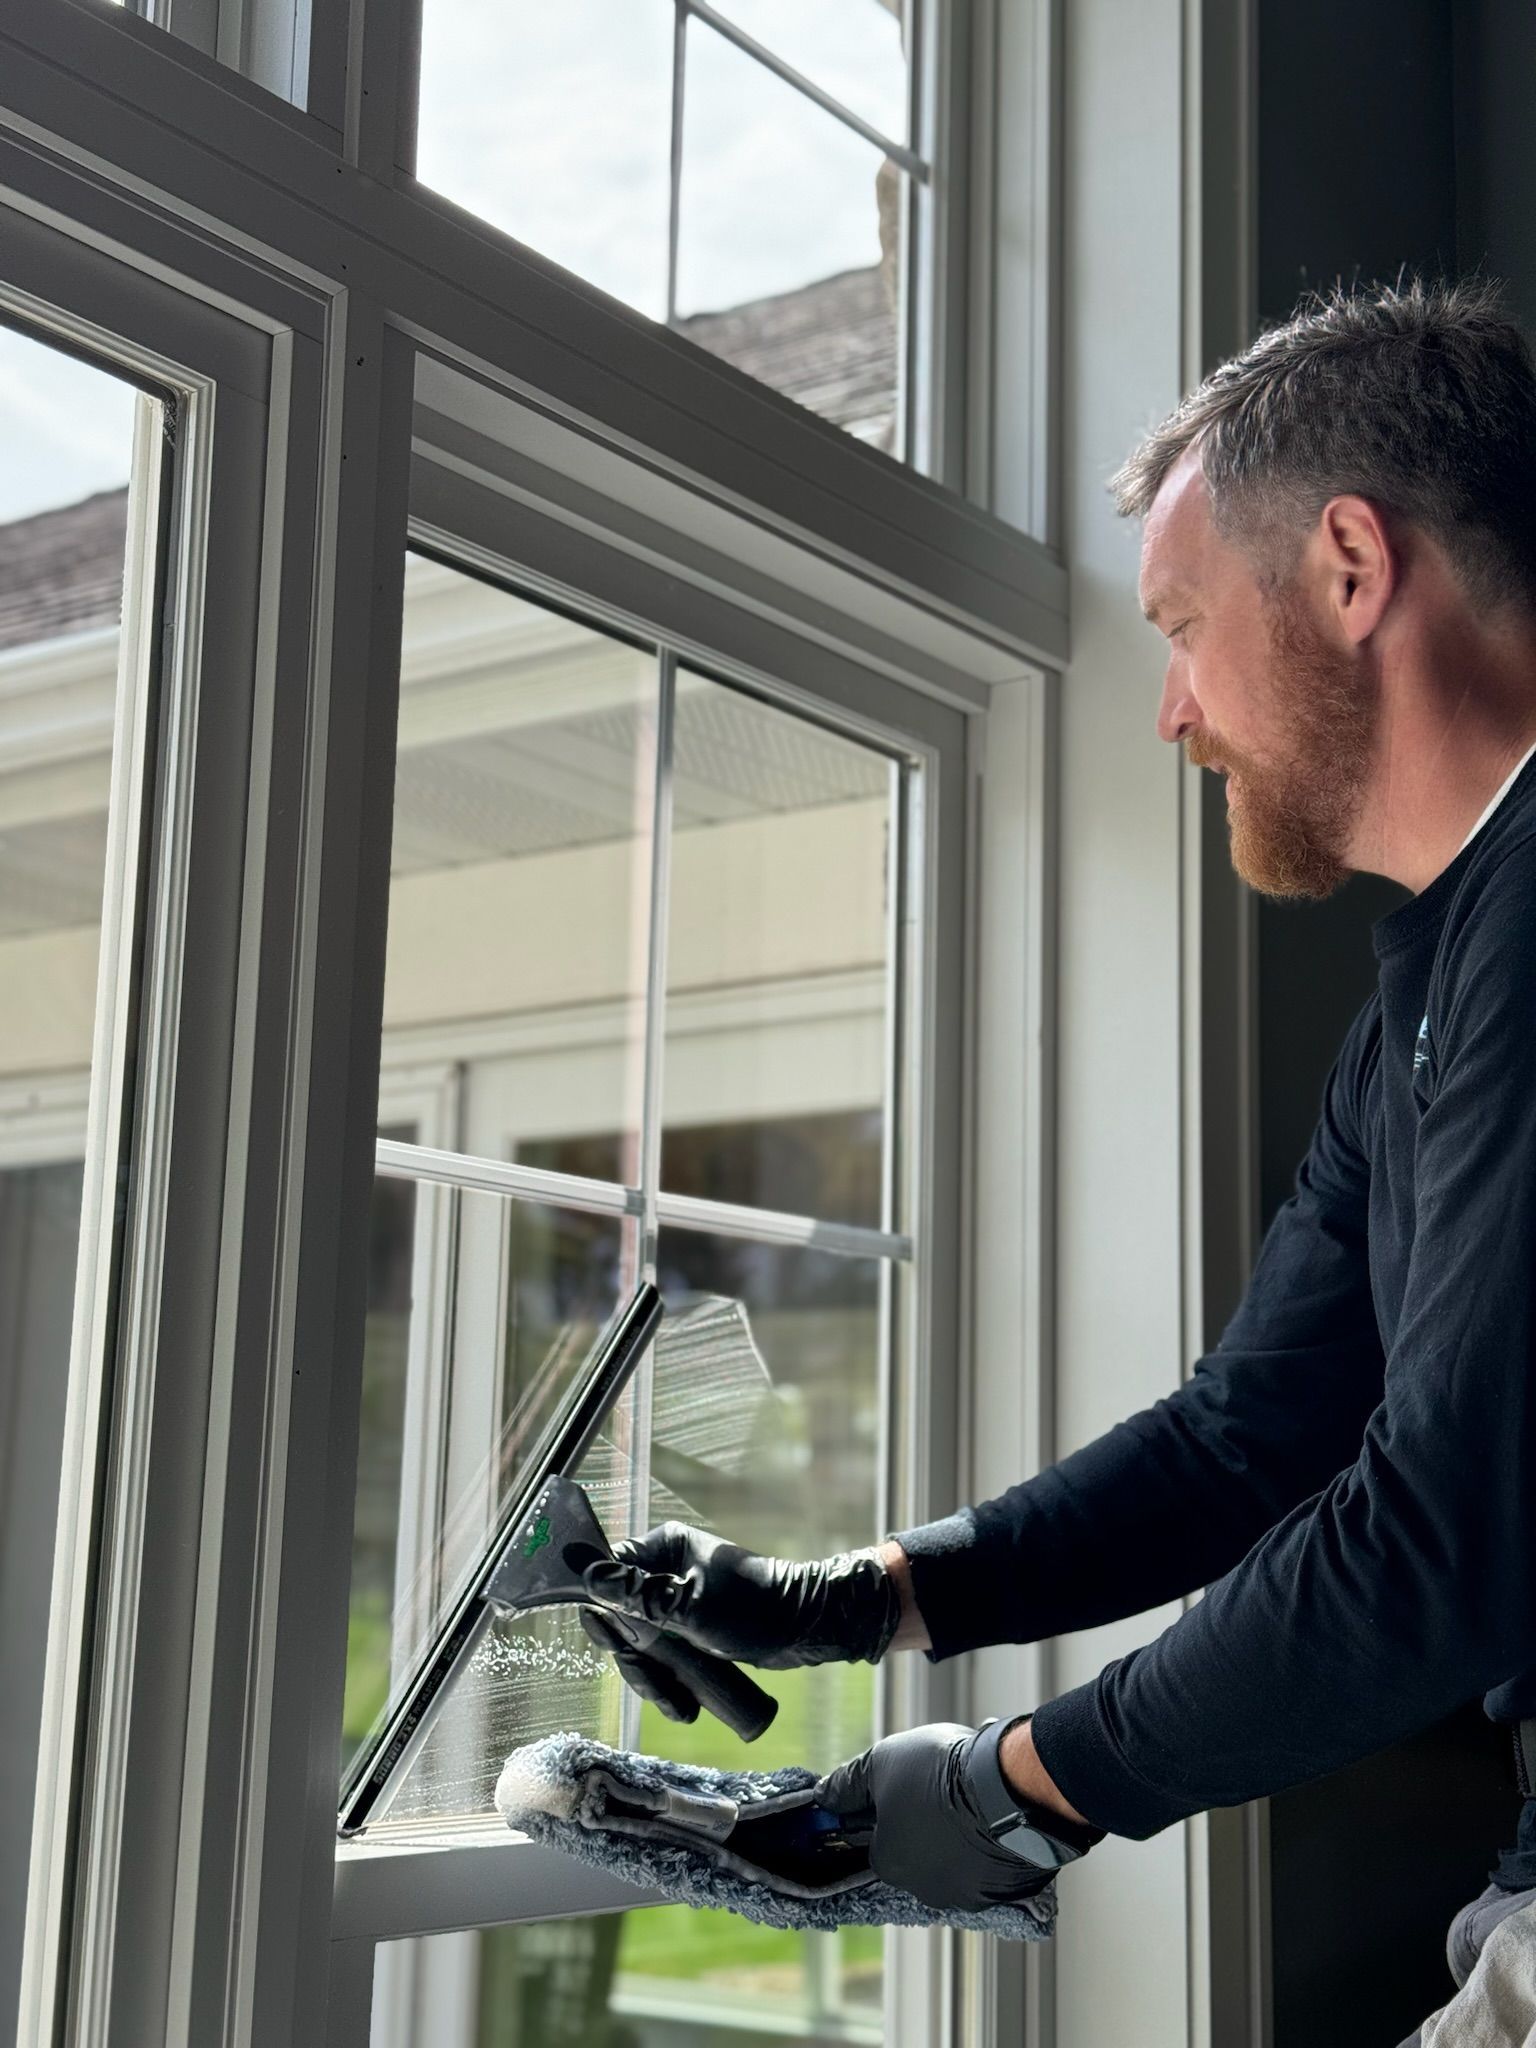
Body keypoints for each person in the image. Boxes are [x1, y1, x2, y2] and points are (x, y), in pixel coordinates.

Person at [581, 278, 1536, 2032]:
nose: (1175, 712)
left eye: (1183, 626)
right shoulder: (1431, 977)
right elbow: (1248, 1438)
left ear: (1348, 567)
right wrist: (857, 1602)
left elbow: (1450, 1529)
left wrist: (1020, 1790)